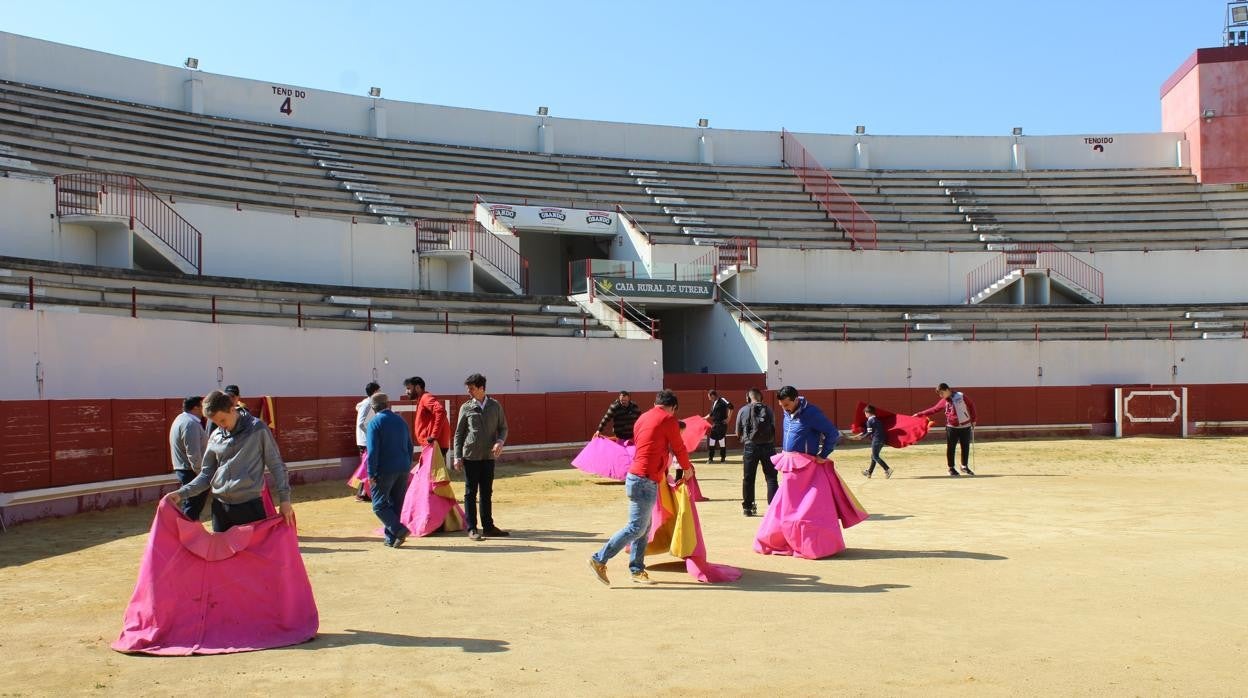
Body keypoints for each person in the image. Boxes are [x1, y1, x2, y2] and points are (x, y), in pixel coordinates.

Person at [588, 389, 695, 586]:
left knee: (644, 528)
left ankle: (637, 569)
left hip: (639, 476)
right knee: (636, 527)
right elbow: (679, 447)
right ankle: (599, 558)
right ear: (672, 407)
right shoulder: (668, 420)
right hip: (644, 479)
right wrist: (687, 469)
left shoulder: (642, 418)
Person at [165, 390, 294, 532]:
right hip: (221, 509)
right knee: (221, 554)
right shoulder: (216, 436)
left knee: (252, 554)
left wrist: (285, 500)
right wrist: (181, 493)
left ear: (232, 410)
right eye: (215, 423)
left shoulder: (258, 430)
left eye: (222, 420)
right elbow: (206, 475)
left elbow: (277, 466)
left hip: (249, 506)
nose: (220, 426)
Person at [452, 373, 509, 541]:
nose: (469, 392)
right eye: (468, 389)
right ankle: (471, 528)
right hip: (471, 455)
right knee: (470, 492)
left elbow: (504, 428)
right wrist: (457, 456)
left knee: (486, 492)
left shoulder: (495, 406)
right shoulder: (466, 407)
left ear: (481, 388)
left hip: (488, 456)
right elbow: (459, 434)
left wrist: (500, 441)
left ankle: (488, 527)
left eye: (472, 388)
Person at [365, 392, 415, 548]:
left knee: (379, 505)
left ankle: (399, 531)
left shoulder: (374, 423)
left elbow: (372, 452)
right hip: (403, 467)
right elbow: (410, 446)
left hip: (385, 469)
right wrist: (407, 464)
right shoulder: (400, 420)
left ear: (373, 407)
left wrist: (371, 473)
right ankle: (391, 538)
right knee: (396, 503)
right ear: (388, 404)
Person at [915, 383, 977, 477]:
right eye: (939, 394)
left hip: (965, 425)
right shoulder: (944, 401)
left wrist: (974, 419)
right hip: (951, 427)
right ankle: (951, 468)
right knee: (951, 448)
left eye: (942, 393)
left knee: (965, 447)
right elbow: (934, 409)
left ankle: (964, 466)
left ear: (947, 390)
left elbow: (971, 405)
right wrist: (920, 414)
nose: (941, 396)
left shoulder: (961, 396)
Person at [735, 388, 778, 516]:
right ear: (761, 398)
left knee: (748, 478)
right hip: (769, 447)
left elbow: (738, 433)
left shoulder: (743, 410)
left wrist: (744, 438)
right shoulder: (769, 410)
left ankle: (748, 508)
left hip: (750, 447)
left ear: (748, 398)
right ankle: (773, 508)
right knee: (771, 478)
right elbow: (773, 428)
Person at [168, 395, 208, 521]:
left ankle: (188, 532)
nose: (205, 409)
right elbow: (193, 453)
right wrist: (202, 474)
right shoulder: (190, 424)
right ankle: (187, 533)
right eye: (203, 406)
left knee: (191, 504)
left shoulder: (181, 419)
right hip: (191, 470)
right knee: (193, 505)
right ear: (196, 408)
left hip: (185, 468)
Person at [776, 385, 839, 461]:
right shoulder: (787, 412)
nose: (784, 409)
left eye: (786, 405)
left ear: (796, 400)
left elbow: (832, 433)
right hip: (788, 461)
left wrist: (823, 455)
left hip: (805, 463)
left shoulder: (812, 413)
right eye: (781, 405)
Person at [353, 381, 381, 500]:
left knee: (367, 466)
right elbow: (361, 423)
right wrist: (371, 435)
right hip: (366, 441)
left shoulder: (366, 403)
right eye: (379, 390)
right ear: (375, 392)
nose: (380, 392)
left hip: (364, 440)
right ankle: (362, 494)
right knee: (368, 466)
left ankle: (363, 493)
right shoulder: (369, 403)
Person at [410, 376, 451, 457]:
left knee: (433, 470)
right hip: (433, 445)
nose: (406, 391)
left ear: (417, 387)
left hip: (434, 445)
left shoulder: (426, 397)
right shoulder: (423, 398)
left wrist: (433, 436)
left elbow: (441, 411)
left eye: (409, 388)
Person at [852, 404, 894, 479]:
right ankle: (869, 472)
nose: (865, 415)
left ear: (868, 413)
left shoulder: (869, 421)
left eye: (865, 413)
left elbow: (869, 432)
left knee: (875, 456)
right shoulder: (877, 420)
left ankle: (887, 469)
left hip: (876, 440)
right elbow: (869, 431)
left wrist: (861, 437)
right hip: (882, 440)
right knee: (873, 456)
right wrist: (861, 435)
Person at [703, 389, 733, 463]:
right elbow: (711, 414)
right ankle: (710, 458)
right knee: (712, 441)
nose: (708, 398)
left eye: (709, 396)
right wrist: (704, 418)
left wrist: (728, 418)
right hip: (715, 424)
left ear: (712, 395)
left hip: (722, 424)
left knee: (721, 441)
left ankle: (723, 459)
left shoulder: (722, 400)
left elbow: (731, 407)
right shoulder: (714, 403)